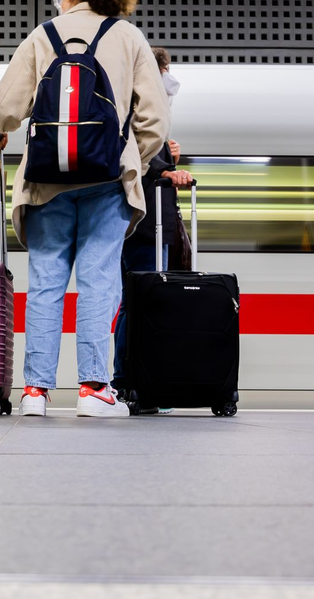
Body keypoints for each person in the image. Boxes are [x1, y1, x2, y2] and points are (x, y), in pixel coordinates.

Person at [0, 0, 170, 417]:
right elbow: (155, 122)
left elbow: (4, 110)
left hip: (46, 182)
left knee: (46, 283)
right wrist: (130, 162)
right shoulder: (128, 37)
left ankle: (35, 394)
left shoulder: (42, 35)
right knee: (98, 283)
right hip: (109, 183)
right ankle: (93, 390)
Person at [111, 46, 192, 413]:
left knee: (135, 304)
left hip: (141, 222)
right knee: (142, 304)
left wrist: (169, 159)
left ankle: (131, 381)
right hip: (146, 226)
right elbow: (135, 161)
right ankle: (132, 383)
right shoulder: (139, 108)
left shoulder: (133, 108)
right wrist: (165, 170)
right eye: (166, 71)